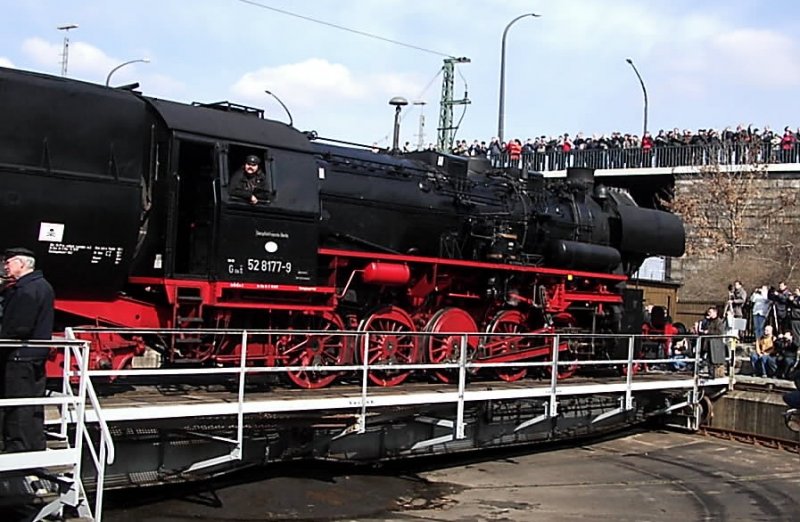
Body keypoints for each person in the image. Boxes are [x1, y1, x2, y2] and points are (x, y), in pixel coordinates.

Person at [1, 247, 54, 452]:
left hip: (19, 356)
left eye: (9, 261)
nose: (6, 265)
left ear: (22, 264)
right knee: (33, 402)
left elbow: (19, 326)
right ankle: (35, 444)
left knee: (17, 403)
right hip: (34, 355)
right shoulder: (42, 286)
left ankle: (18, 447)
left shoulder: (26, 290)